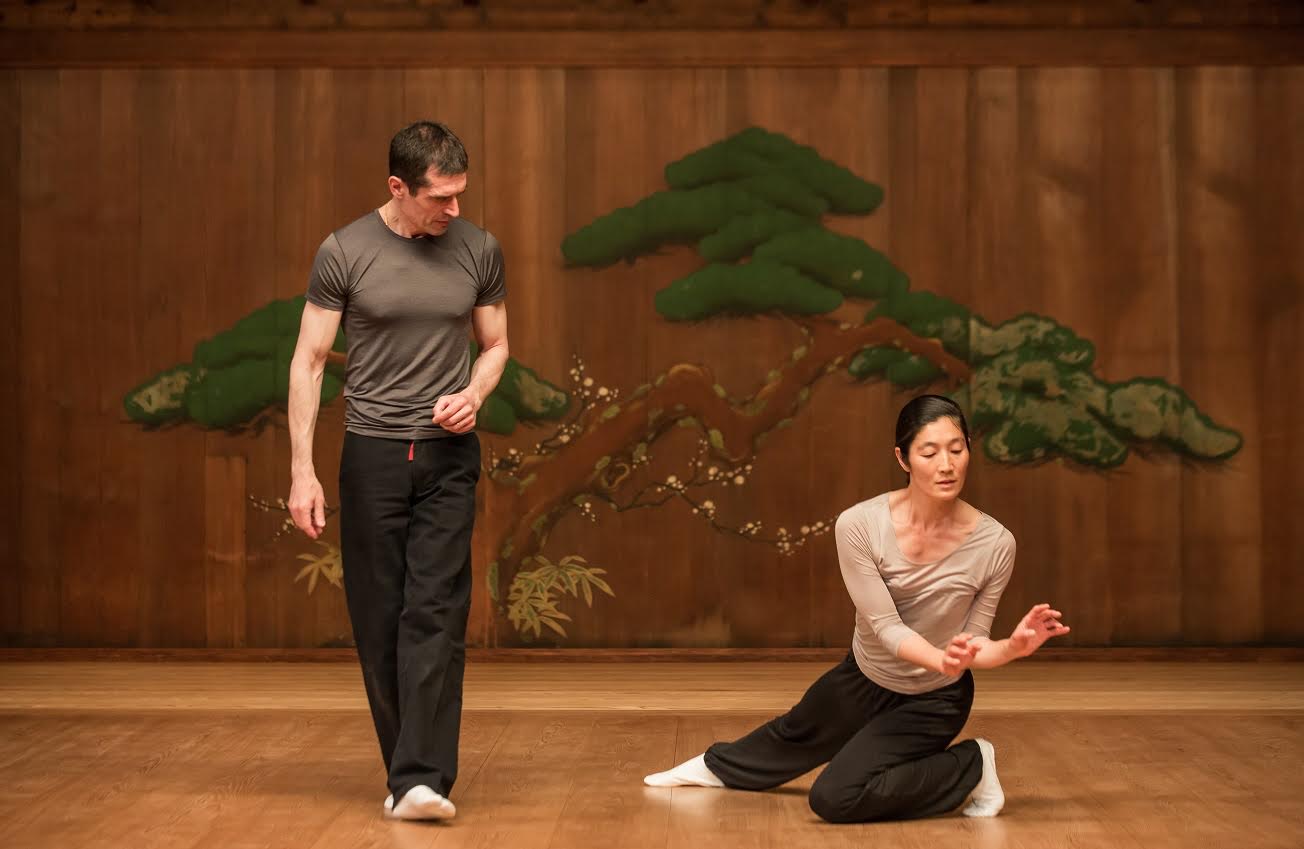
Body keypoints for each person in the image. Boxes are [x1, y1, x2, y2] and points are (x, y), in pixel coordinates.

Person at [643, 394, 1070, 822]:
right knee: (792, 735)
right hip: (866, 675)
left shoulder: (996, 543)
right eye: (930, 451)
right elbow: (885, 627)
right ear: (903, 459)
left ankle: (973, 764)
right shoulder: (860, 525)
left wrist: (1013, 646)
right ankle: (714, 767)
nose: (947, 464)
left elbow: (975, 641)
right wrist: (941, 657)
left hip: (935, 699)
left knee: (836, 795)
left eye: (957, 450)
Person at [287, 121, 509, 822]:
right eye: (440, 198)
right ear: (398, 187)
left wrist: (474, 394)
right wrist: (302, 470)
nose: (453, 211)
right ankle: (406, 773)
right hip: (374, 454)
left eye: (459, 196)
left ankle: (422, 777)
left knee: (436, 611)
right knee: (380, 615)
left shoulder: (479, 248)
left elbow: (497, 343)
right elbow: (310, 360)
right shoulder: (344, 251)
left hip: (448, 457)